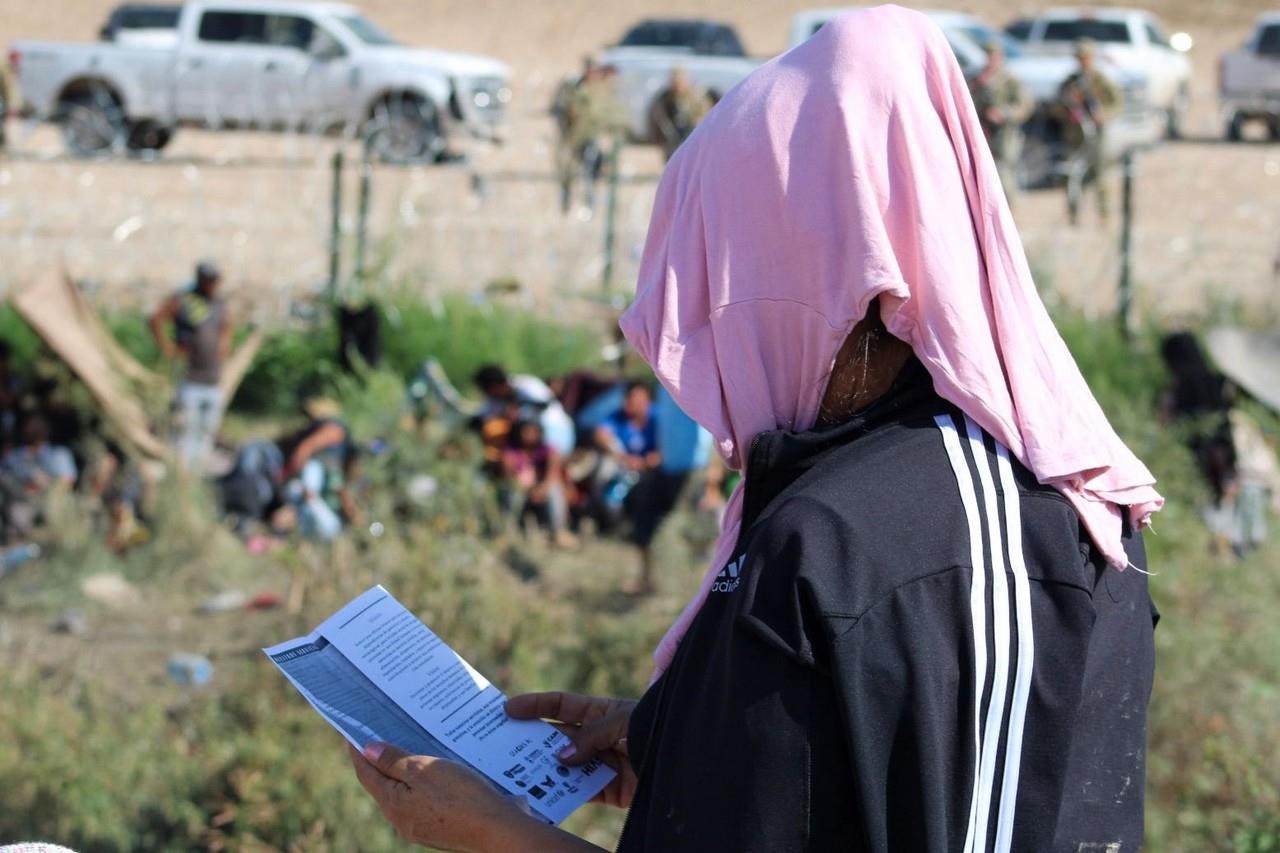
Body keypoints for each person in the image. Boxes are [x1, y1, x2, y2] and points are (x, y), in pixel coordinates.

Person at [347, 9, 1164, 851]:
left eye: (723, 291)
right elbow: (898, 776)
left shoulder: (846, 539)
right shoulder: (1061, 490)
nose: (715, 351)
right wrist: (682, 743)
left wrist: (496, 836)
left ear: (823, 278)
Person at [149, 260, 232, 467]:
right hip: (190, 379)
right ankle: (183, 478)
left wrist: (223, 349)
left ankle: (198, 475)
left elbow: (227, 327)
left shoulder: (219, 304)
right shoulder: (184, 301)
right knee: (186, 434)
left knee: (206, 433)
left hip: (213, 380)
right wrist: (168, 348)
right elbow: (156, 319)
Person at [1055, 39, 1120, 226]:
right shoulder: (1070, 82)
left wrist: (1104, 115)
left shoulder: (1100, 81)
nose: (1084, 62)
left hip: (1096, 134)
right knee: (1073, 176)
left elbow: (1116, 103)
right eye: (1080, 58)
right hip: (1075, 135)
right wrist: (1069, 107)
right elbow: (1057, 107)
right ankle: (1073, 216)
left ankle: (1104, 216)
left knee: (1100, 176)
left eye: (1087, 58)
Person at [278, 400, 359, 541]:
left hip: (324, 523)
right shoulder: (331, 459)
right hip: (317, 517)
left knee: (305, 493)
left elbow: (304, 449)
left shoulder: (334, 429)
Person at [969, 39, 1029, 204]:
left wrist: (1004, 113)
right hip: (983, 130)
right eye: (988, 56)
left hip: (1006, 133)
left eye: (994, 56)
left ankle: (1008, 208)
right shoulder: (978, 79)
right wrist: (978, 86)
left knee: (1004, 170)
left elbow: (1024, 105)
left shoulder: (1010, 80)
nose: (990, 60)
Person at [500, 419, 576, 548]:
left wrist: (541, 488)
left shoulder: (548, 450)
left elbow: (553, 474)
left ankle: (558, 532)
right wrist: (524, 485)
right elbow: (509, 475)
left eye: (533, 432)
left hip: (541, 490)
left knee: (555, 489)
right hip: (520, 490)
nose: (529, 435)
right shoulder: (510, 451)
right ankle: (505, 531)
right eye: (526, 432)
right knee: (512, 491)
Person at [473, 365, 575, 458]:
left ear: (494, 386)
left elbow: (545, 403)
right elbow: (483, 418)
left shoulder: (527, 385)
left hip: (557, 432)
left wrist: (520, 411)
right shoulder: (495, 400)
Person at [648, 67, 713, 161]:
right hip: (672, 140)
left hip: (691, 138)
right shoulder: (664, 99)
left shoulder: (696, 97)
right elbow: (658, 118)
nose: (677, 85)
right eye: (674, 82)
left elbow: (705, 117)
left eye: (680, 81)